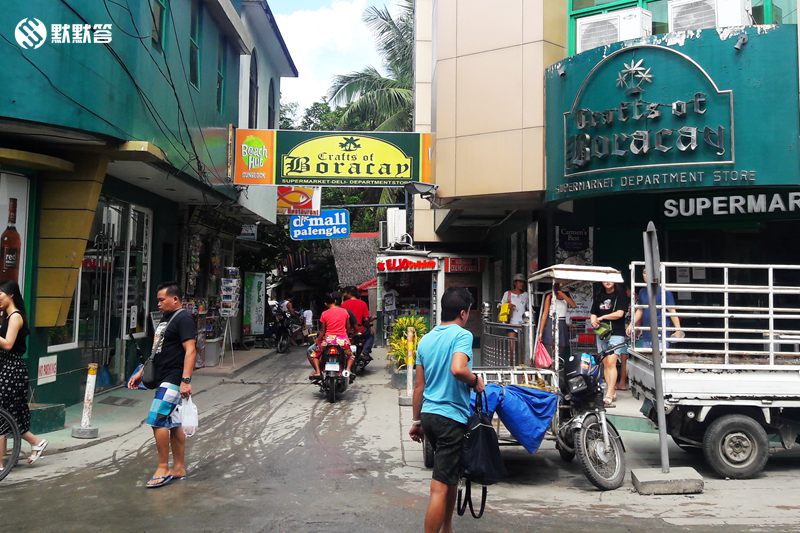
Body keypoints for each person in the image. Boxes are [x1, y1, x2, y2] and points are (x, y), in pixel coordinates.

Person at [409, 287, 485, 533]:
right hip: (449, 418)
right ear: (463, 312)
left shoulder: (426, 339)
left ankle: (447, 528)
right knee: (439, 488)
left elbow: (419, 387)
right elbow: (458, 369)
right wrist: (475, 381)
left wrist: (417, 422)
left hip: (430, 417)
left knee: (450, 479)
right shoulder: (461, 335)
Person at [128, 282, 197, 489]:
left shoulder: (184, 318)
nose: (158, 303)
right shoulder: (166, 320)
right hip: (163, 376)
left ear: (175, 299)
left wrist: (185, 380)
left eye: (161, 299)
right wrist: (141, 371)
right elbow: (156, 350)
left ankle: (162, 467)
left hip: (174, 378)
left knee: (157, 419)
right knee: (174, 424)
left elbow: (191, 350)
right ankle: (178, 468)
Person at [0, 281, 48, 469]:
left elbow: (8, 344)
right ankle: (36, 442)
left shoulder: (16, 317)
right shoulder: (6, 316)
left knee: (2, 414)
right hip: (6, 367)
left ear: (11, 295)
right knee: (13, 413)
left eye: (0, 295)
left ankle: (1, 465)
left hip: (12, 369)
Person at [590, 281, 629, 407]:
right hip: (602, 333)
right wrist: (593, 320)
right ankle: (611, 391)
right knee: (606, 363)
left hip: (617, 333)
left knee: (611, 362)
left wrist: (602, 318)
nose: (607, 282)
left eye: (610, 279)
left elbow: (620, 314)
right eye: (605, 279)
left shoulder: (621, 294)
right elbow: (593, 312)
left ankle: (609, 393)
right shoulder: (599, 295)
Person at [626, 269, 683, 349]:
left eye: (648, 272)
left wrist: (678, 330)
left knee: (659, 359)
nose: (645, 275)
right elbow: (640, 310)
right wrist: (631, 324)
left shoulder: (664, 291)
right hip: (646, 334)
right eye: (644, 272)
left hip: (661, 333)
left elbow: (672, 311)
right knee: (647, 360)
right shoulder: (642, 291)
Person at [308, 292, 355, 381]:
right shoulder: (344, 311)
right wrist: (347, 335)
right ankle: (348, 370)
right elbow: (348, 327)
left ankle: (318, 372)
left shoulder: (324, 314)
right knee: (351, 355)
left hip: (328, 341)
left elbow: (323, 331)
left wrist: (318, 340)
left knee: (314, 355)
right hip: (342, 340)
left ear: (326, 303)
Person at [538, 283, 577, 359]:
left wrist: (562, 294)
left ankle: (560, 365)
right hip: (551, 321)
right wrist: (540, 332)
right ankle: (550, 365)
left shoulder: (566, 297)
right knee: (550, 344)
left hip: (562, 322)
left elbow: (573, 305)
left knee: (562, 346)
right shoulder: (550, 296)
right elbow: (545, 314)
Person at [499, 274, 529, 364]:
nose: (521, 284)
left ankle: (522, 365)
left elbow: (529, 308)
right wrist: (508, 305)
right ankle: (512, 366)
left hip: (522, 324)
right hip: (511, 323)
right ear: (515, 283)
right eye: (519, 282)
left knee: (522, 347)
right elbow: (500, 306)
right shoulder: (507, 294)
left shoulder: (526, 295)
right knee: (511, 348)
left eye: (522, 282)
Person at [342, 286, 374, 360]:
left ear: (349, 293)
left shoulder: (344, 304)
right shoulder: (362, 303)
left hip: (347, 331)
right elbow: (366, 319)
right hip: (359, 330)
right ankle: (364, 352)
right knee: (371, 335)